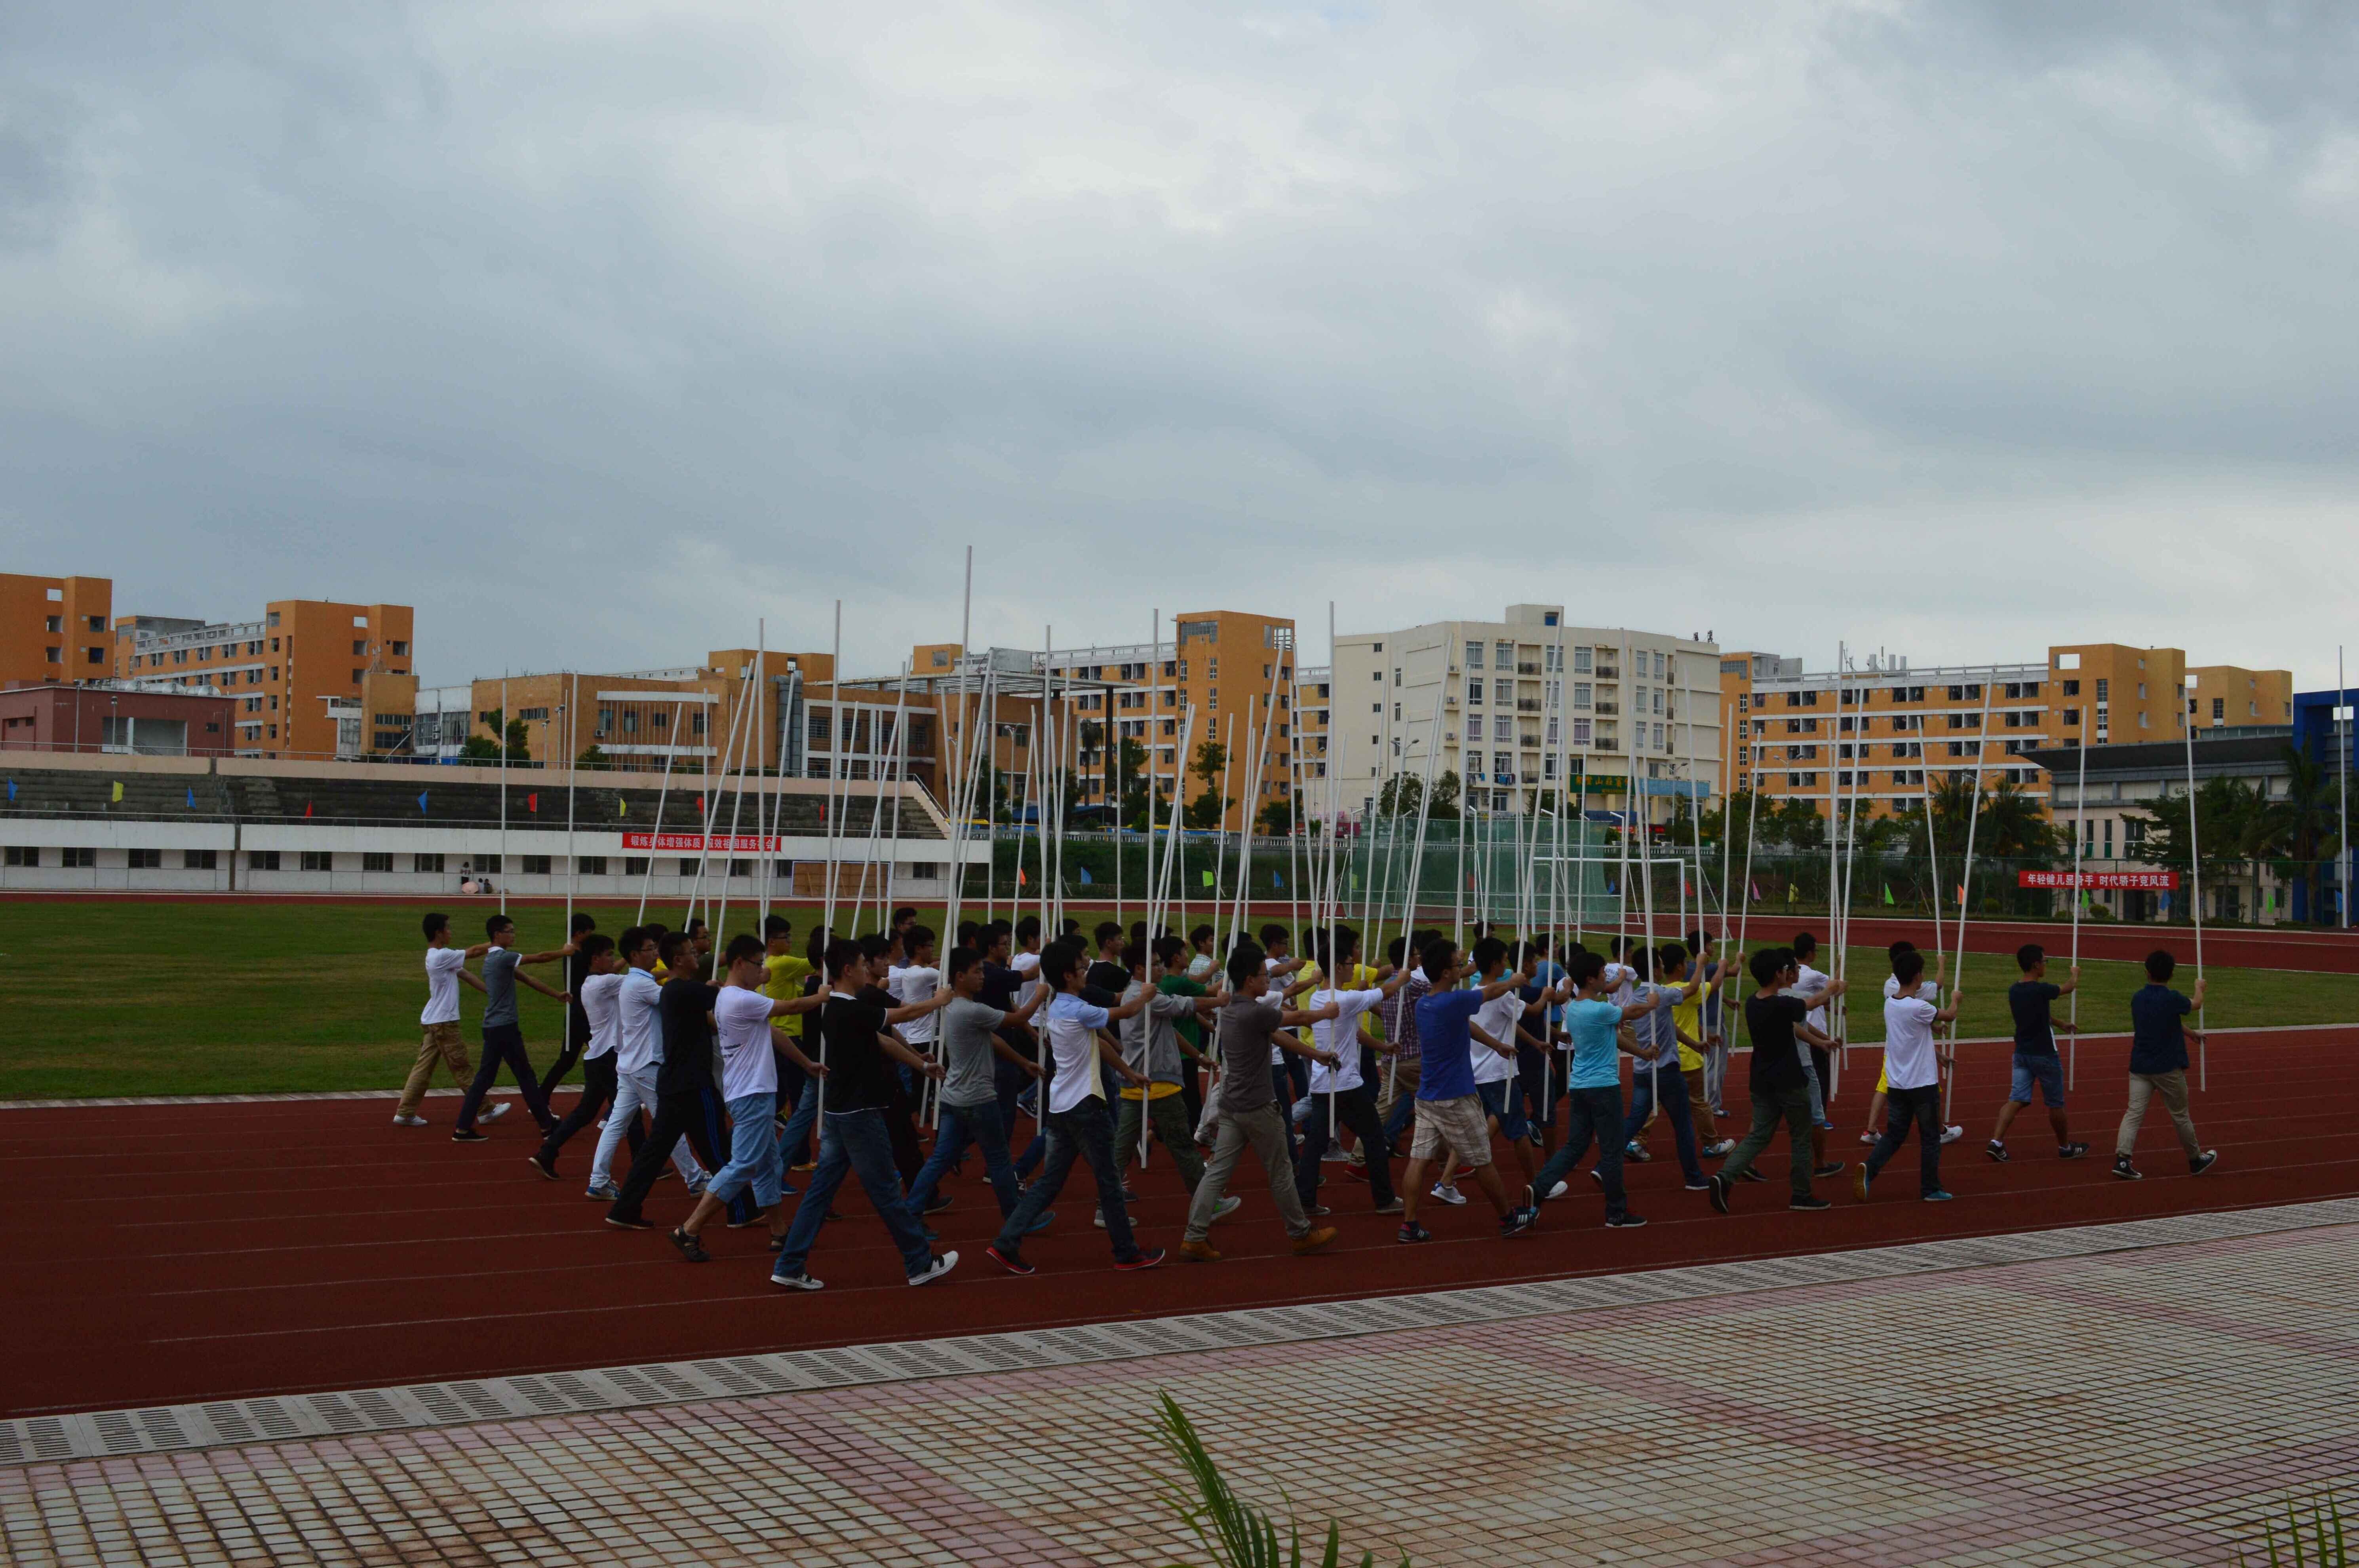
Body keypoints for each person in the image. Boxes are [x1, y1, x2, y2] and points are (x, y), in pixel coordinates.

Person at [770, 939, 958, 1291]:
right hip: (858, 1113)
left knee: (821, 1192)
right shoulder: (847, 1009)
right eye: (860, 963)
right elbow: (900, 1015)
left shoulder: (842, 1009)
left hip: (843, 1112)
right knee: (886, 1190)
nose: (864, 969)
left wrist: (921, 1063)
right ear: (848, 970)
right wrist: (938, 1001)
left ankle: (791, 1263)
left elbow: (881, 1039)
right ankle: (919, 1261)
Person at [985, 938, 1165, 1274]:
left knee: (1051, 1181)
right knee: (1109, 1180)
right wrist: (1146, 994)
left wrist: (1127, 1072)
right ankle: (1126, 1251)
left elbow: (1096, 1044)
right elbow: (1125, 1011)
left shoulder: (1060, 1008)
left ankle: (1007, 1242)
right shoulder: (1079, 1009)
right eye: (1083, 967)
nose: (1087, 971)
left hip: (1063, 1106)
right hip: (1086, 1105)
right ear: (1069, 975)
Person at [1172, 939, 1341, 1263]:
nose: (1268, 979)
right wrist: (1326, 1012)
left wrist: (1316, 1054)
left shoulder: (1232, 1009)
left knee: (1217, 1174)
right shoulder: (1256, 1011)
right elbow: (1297, 1018)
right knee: (1281, 1171)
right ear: (1250, 980)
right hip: (1259, 1106)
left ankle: (1194, 1237)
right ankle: (1301, 1233)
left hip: (1232, 1106)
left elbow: (1277, 1036)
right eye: (1264, 975)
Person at [666, 935, 831, 1262]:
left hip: (751, 1092)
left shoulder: (732, 998)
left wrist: (806, 1063)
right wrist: (822, 995)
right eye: (759, 964)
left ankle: (779, 1231)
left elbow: (775, 1033)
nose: (763, 971)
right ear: (740, 963)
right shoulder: (741, 999)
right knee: (743, 1165)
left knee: (770, 1165)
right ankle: (689, 1228)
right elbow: (794, 1006)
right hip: (752, 1093)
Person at [1396, 937, 1541, 1243]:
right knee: (1482, 1159)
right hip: (1456, 1096)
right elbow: (1490, 992)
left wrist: (1497, 1044)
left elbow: (1465, 1025)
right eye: (1458, 964)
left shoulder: (1426, 1003)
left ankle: (1409, 1224)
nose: (1463, 967)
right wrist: (1513, 980)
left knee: (1418, 1159)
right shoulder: (1454, 1001)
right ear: (1447, 973)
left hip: (1428, 1096)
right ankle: (1507, 1217)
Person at [904, 945, 1052, 1227]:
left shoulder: (955, 1008)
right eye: (977, 972)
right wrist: (1039, 995)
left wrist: (1022, 1062)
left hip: (953, 1096)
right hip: (978, 1097)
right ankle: (1017, 1218)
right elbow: (1018, 1019)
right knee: (998, 1160)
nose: (982, 977)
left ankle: (910, 1211)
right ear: (960, 976)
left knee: (941, 1159)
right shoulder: (973, 1010)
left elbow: (992, 1039)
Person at [1526, 948, 1663, 1228]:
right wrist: (1651, 1004)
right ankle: (1616, 1212)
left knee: (1576, 1145)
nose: (1606, 978)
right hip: (1604, 1087)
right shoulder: (1600, 1009)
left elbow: (1613, 1038)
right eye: (1602, 974)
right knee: (1611, 1151)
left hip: (1581, 1086)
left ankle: (1539, 1187)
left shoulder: (1576, 1008)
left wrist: (1642, 1052)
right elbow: (1633, 1011)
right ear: (1590, 979)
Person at [1708, 947, 1846, 1214]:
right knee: (1801, 1136)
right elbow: (1812, 1003)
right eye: (1784, 969)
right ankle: (1801, 1193)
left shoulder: (1754, 1002)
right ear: (1777, 975)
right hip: (1789, 1080)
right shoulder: (1782, 1003)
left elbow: (1794, 1024)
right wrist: (1832, 988)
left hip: (1761, 1080)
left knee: (1759, 1135)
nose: (1787, 972)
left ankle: (1726, 1175)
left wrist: (1820, 1041)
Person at [1292, 927, 1410, 1218]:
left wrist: (1383, 1045)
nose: (1352, 967)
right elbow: (1387, 991)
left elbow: (1355, 1033)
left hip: (1324, 1082)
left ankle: (1305, 1197)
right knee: (1373, 1137)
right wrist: (1402, 976)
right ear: (1338, 966)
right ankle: (1384, 1198)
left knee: (1317, 1143)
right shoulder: (1344, 1001)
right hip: (1345, 1083)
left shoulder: (1323, 999)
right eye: (1349, 963)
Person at [1116, 937, 1232, 1224]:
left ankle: (1106, 1206)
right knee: (1183, 1145)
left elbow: (1168, 1027)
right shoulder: (1144, 996)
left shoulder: (1142, 995)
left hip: (1140, 1081)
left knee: (1121, 1149)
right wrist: (1217, 1001)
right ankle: (1209, 1203)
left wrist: (1199, 1056)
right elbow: (1183, 1006)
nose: (1161, 968)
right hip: (1156, 1082)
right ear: (1140, 967)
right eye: (1155, 964)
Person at [585, 926, 706, 1200]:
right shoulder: (641, 985)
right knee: (669, 1122)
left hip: (630, 1065)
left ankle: (599, 1179)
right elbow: (676, 1003)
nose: (656, 952)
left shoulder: (635, 981)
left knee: (617, 1124)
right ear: (635, 955)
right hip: (646, 1065)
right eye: (651, 948)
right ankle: (695, 1178)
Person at [1435, 937, 1549, 1205]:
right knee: (1519, 1131)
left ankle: (1446, 1180)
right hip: (1500, 1073)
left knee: (1476, 1130)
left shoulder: (1475, 992)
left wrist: (1534, 1043)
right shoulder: (1503, 993)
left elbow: (1508, 1023)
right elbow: (1532, 1011)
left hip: (1477, 1072)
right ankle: (1537, 1183)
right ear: (1497, 964)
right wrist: (1547, 995)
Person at [527, 935, 647, 1184]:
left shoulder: (592, 983)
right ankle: (642, 1163)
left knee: (586, 1112)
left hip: (597, 1056)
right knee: (630, 1110)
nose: (613, 960)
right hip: (608, 1057)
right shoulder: (605, 984)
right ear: (596, 959)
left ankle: (547, 1152)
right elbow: (639, 981)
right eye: (610, 955)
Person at [1855, 947, 1961, 1202]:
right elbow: (1950, 1015)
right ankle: (1930, 1188)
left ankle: (1871, 1169)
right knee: (1930, 1138)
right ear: (1916, 976)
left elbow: (1914, 1038)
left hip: (1897, 1083)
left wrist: (1940, 1056)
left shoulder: (1891, 1005)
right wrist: (1957, 998)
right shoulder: (1919, 1007)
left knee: (1895, 1134)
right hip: (1922, 1085)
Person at [451, 915, 567, 1142]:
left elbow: (528, 979)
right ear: (497, 935)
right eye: (510, 931)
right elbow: (541, 958)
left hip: (494, 1028)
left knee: (485, 1080)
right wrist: (565, 952)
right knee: (526, 1078)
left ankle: (462, 1128)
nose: (514, 935)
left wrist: (557, 995)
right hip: (505, 1029)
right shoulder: (503, 958)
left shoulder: (494, 960)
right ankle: (546, 1126)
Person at [2115, 949, 2219, 1181]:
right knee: (2180, 1115)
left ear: (2147, 972)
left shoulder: (2138, 998)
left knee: (2133, 1113)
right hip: (2167, 1067)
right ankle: (2195, 1159)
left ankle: (2123, 1159)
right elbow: (2197, 1004)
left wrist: (2190, 1033)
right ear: (2171, 974)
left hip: (2140, 1066)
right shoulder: (2172, 998)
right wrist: (2199, 988)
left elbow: (2165, 1020)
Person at [1620, 942, 1712, 1191]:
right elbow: (1692, 989)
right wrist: (1701, 964)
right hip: (1666, 1070)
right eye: (1660, 962)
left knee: (1634, 1121)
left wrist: (1694, 1043)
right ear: (1657, 970)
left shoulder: (1638, 997)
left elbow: (1670, 1026)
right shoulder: (1660, 995)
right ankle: (1693, 1178)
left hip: (1643, 1070)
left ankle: (1603, 1164)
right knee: (1683, 1125)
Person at [1988, 943, 2091, 1162]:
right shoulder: (2041, 990)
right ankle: (2065, 1147)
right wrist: (2075, 974)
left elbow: (2038, 1013)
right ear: (2036, 965)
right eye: (2045, 962)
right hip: (2044, 1054)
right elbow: (2069, 987)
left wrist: (2060, 1023)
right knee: (2055, 1103)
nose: (2046, 965)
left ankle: (1996, 1142)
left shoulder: (2015, 990)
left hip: (2022, 1054)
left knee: (2016, 1099)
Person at [394, 912, 493, 1126]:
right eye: (448, 928)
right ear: (439, 933)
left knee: (423, 1068)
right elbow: (474, 952)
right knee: (462, 1067)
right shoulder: (441, 956)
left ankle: (405, 1112)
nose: (451, 932)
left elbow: (467, 975)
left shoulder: (440, 957)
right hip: (444, 1023)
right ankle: (485, 1109)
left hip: (434, 1021)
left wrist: (491, 993)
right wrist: (495, 943)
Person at [540, 912, 600, 1097]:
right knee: (605, 1055)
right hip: (581, 1013)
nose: (592, 935)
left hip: (579, 1012)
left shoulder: (579, 952)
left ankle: (541, 1098)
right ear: (579, 933)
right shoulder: (574, 953)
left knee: (567, 1060)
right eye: (589, 932)